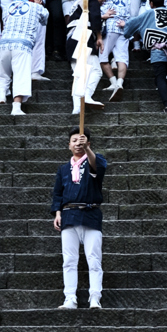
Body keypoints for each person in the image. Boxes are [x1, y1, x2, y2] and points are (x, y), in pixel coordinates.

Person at [52, 127, 108, 310]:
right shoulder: (63, 169)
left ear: (88, 144)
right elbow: (58, 194)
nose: (78, 144)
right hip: (69, 216)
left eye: (81, 141)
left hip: (90, 214)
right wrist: (58, 213)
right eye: (74, 141)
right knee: (69, 260)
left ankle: (95, 297)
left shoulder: (94, 161)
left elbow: (98, 168)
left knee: (94, 258)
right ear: (69, 145)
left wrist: (88, 150)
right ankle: (70, 298)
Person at [123, 0, 167, 112]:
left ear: (151, 3)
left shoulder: (149, 13)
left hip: (158, 50)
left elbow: (132, 23)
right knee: (159, 78)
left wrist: (126, 32)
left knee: (159, 78)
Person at [0, 0, 50, 116]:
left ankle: (2, 94)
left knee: (3, 73)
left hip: (4, 43)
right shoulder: (34, 7)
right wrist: (39, 5)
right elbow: (45, 18)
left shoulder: (7, 7)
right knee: (21, 75)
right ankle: (16, 107)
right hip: (22, 44)